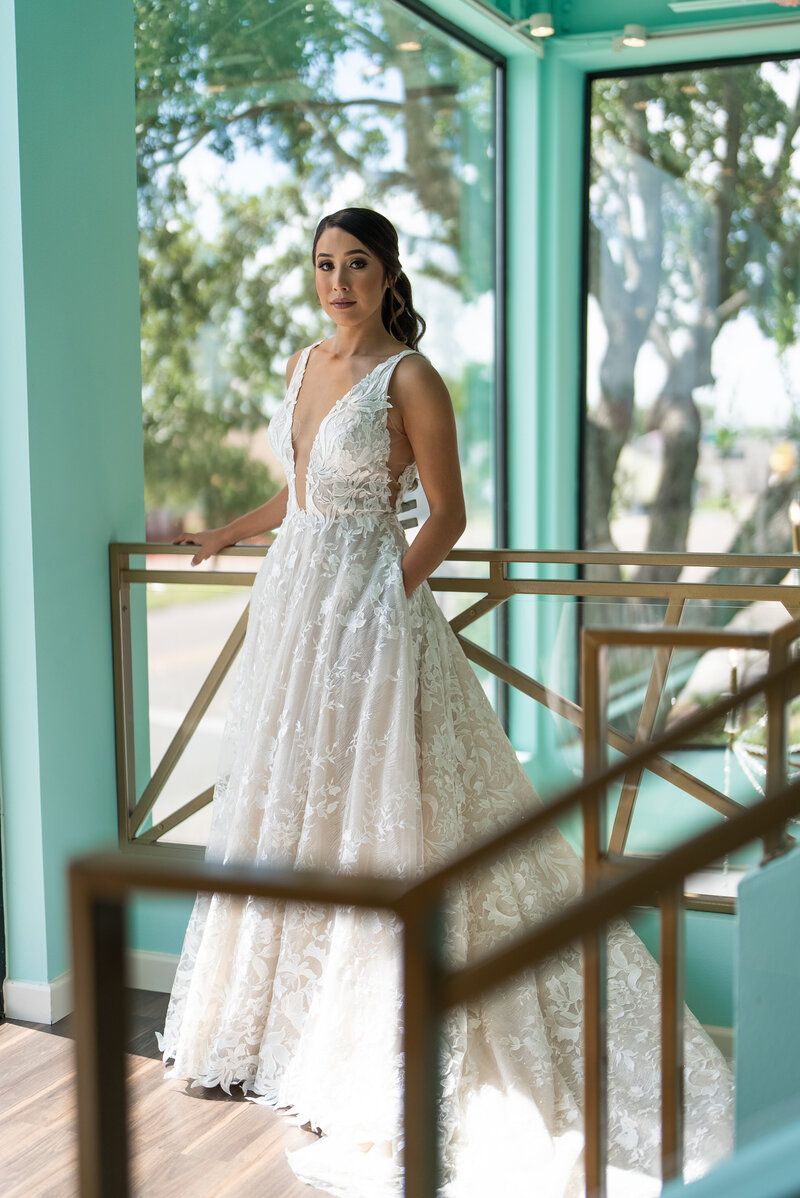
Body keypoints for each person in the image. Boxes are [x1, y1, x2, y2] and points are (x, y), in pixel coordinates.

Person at [156, 206, 733, 1197]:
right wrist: (229, 533)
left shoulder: (407, 376)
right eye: (324, 265)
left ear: (388, 276)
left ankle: (382, 1032)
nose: (336, 282)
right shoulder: (304, 362)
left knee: (390, 820)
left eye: (356, 266)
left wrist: (386, 604)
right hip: (292, 619)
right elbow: (300, 494)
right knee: (292, 811)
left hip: (371, 625)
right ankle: (279, 1025)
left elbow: (450, 516)